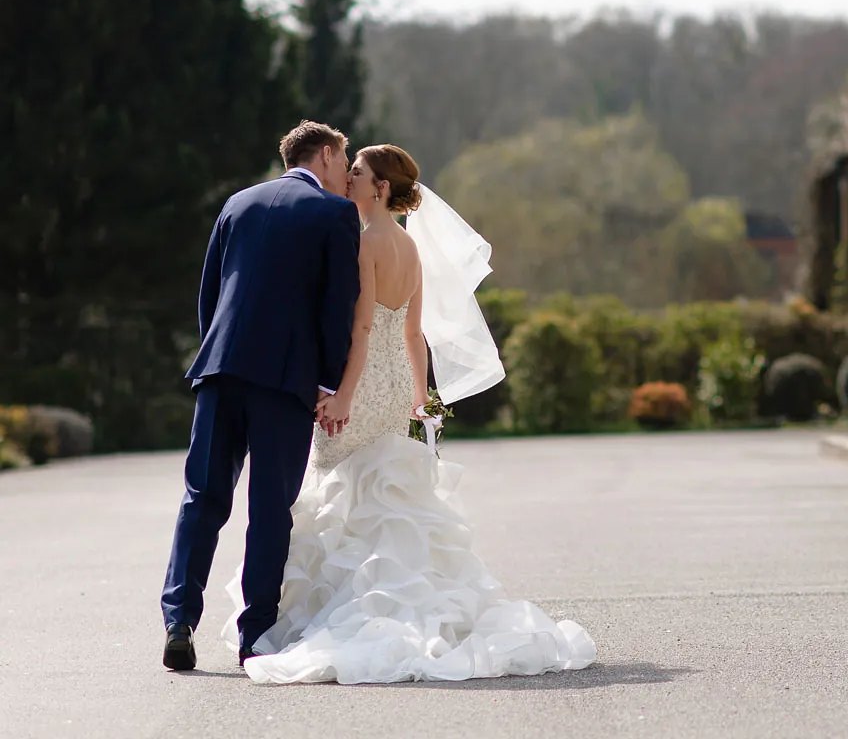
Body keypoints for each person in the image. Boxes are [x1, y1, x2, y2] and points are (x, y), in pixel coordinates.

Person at [227, 144, 596, 684]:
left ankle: (365, 608)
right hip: (397, 382)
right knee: (381, 493)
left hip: (367, 380)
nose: (347, 179)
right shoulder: (409, 247)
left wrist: (345, 393)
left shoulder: (364, 241)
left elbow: (362, 329)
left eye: (357, 174)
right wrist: (420, 395)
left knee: (342, 487)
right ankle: (400, 593)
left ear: (379, 188)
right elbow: (413, 333)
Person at [161, 121, 361, 671]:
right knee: (270, 508)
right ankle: (256, 635)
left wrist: (216, 357)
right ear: (325, 155)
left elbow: (210, 294)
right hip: (286, 379)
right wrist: (328, 383)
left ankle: (179, 620)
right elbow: (337, 307)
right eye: (344, 162)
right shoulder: (335, 214)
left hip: (221, 369)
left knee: (201, 498)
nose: (346, 175)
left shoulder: (238, 203)